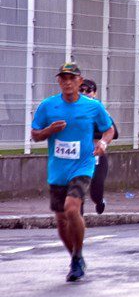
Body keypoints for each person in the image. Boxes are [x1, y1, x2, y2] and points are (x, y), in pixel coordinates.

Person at [32, 62, 115, 281]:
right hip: (58, 169)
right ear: (59, 81)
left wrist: (103, 144)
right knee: (61, 220)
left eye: (72, 78)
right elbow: (35, 134)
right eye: (63, 79)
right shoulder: (48, 106)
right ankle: (75, 258)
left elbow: (109, 129)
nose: (67, 82)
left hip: (83, 165)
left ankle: (77, 254)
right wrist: (50, 130)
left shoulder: (92, 106)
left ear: (79, 81)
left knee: (71, 209)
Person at [79, 78, 118, 215]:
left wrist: (94, 137)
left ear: (94, 93)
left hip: (95, 156)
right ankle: (77, 225)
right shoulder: (72, 109)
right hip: (77, 157)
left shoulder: (97, 108)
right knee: (77, 193)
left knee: (96, 190)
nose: (84, 93)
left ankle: (100, 201)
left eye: (88, 91)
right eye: (81, 90)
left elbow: (114, 132)